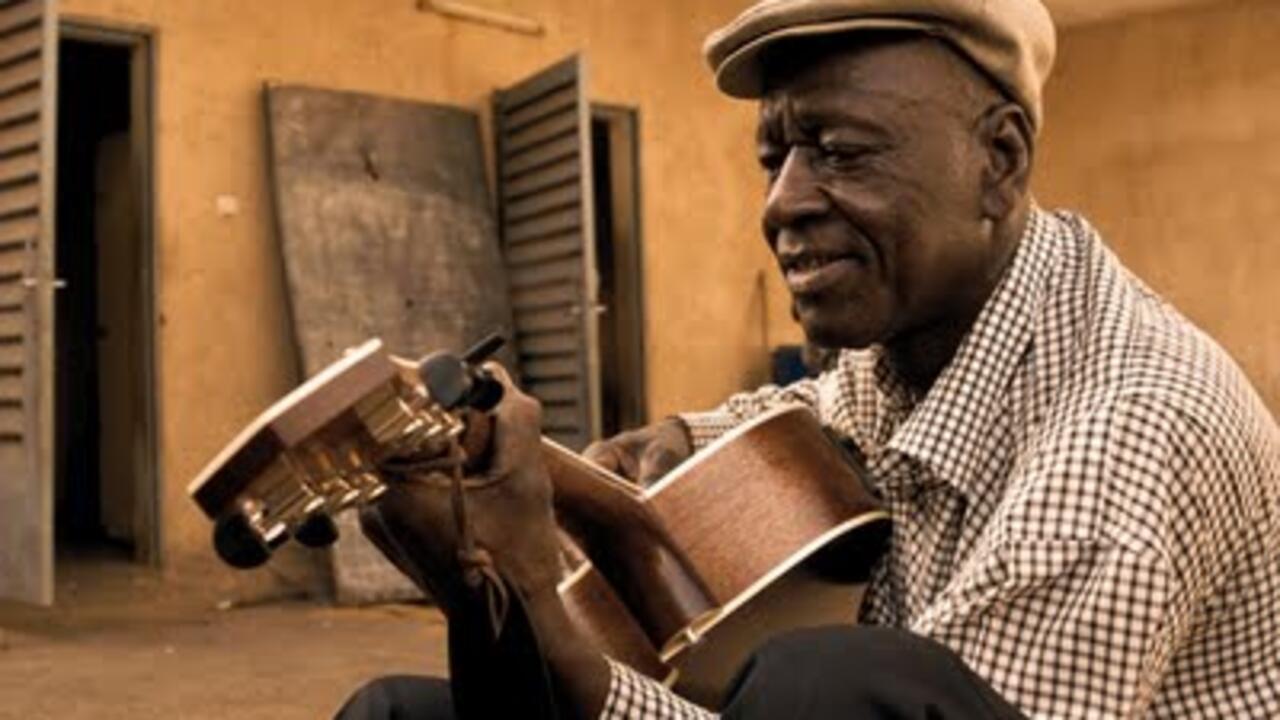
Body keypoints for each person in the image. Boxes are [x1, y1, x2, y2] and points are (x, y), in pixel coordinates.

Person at [338, 0, 1280, 717]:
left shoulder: (1132, 423)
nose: (783, 204)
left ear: (999, 161)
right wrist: (547, 484)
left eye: (840, 151)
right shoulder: (904, 349)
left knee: (824, 686)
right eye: (775, 155)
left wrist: (541, 612)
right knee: (395, 711)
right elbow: (754, 435)